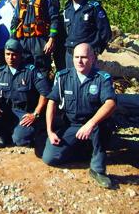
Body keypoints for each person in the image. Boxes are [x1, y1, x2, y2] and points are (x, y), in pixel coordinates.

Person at [42, 43, 116, 189]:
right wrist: (50, 132)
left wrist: (91, 123)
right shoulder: (63, 77)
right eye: (76, 57)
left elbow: (110, 103)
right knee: (50, 158)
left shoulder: (102, 78)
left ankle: (98, 169)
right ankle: (85, 150)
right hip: (72, 125)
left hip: (95, 126)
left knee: (102, 126)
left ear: (93, 58)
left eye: (83, 57)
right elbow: (52, 102)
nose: (79, 61)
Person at [0, 39, 51, 147]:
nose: (10, 58)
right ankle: (3, 136)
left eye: (14, 55)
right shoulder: (2, 72)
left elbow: (45, 93)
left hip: (25, 113)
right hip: (7, 111)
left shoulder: (31, 71)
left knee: (20, 140)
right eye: (8, 54)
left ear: (20, 55)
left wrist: (35, 114)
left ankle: (35, 132)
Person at [10, 0, 60, 75]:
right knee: (25, 73)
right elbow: (15, 21)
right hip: (23, 42)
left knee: (41, 73)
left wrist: (51, 39)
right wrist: (13, 39)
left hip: (40, 42)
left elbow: (55, 20)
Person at [50, 0, 96, 71]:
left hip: (78, 26)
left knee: (79, 61)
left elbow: (93, 5)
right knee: (60, 59)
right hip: (60, 27)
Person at [63, 0, 112, 68]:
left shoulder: (93, 8)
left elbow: (106, 32)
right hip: (70, 55)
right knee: (72, 81)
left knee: (88, 82)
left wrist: (96, 50)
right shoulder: (67, 10)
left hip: (87, 56)